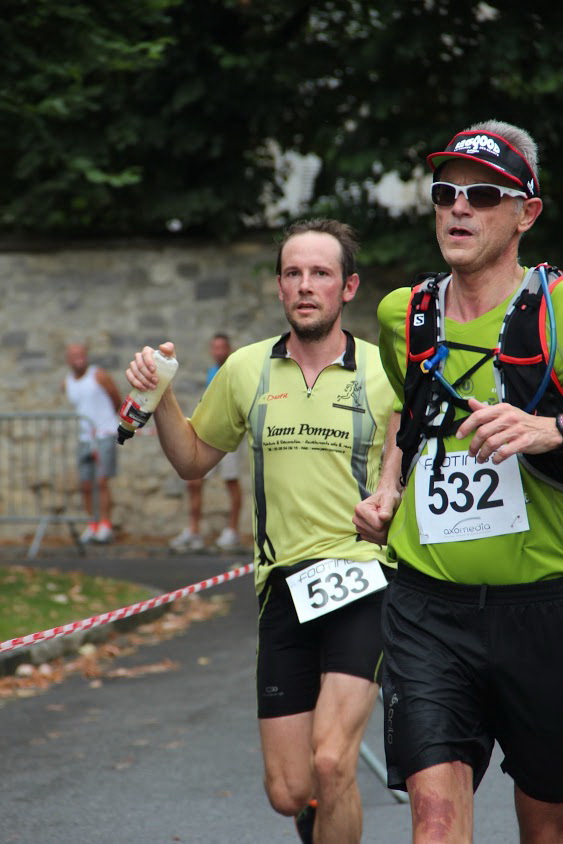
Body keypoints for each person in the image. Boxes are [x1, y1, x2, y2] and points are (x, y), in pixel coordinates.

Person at [125, 218, 395, 843]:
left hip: (364, 576)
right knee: (289, 790)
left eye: (321, 274)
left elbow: (403, 478)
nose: (306, 286)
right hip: (282, 588)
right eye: (293, 273)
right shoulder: (247, 370)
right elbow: (193, 461)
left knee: (332, 762)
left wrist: (392, 506)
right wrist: (162, 395)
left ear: (348, 287)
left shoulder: (385, 375)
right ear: (279, 286)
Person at [353, 120, 563, 843]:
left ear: (525, 213)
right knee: (434, 827)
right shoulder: (401, 314)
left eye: (481, 195)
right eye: (444, 193)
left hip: (545, 608)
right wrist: (389, 485)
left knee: (545, 828)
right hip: (426, 607)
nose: (458, 209)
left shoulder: (562, 311)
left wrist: (553, 430)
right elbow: (407, 414)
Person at [169, 333, 242, 552]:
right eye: (215, 347)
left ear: (229, 348)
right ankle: (193, 531)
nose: (218, 351)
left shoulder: (236, 368)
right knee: (195, 482)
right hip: (210, 435)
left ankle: (232, 531)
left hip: (231, 435)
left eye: (222, 347)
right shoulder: (212, 372)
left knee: (231, 481)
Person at [64, 342, 122, 543]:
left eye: (80, 353)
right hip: (85, 437)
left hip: (104, 433)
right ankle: (92, 524)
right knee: (86, 484)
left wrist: (108, 424)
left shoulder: (99, 376)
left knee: (102, 481)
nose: (78, 358)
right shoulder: (68, 382)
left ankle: (105, 524)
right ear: (68, 359)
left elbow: (117, 399)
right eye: (73, 354)